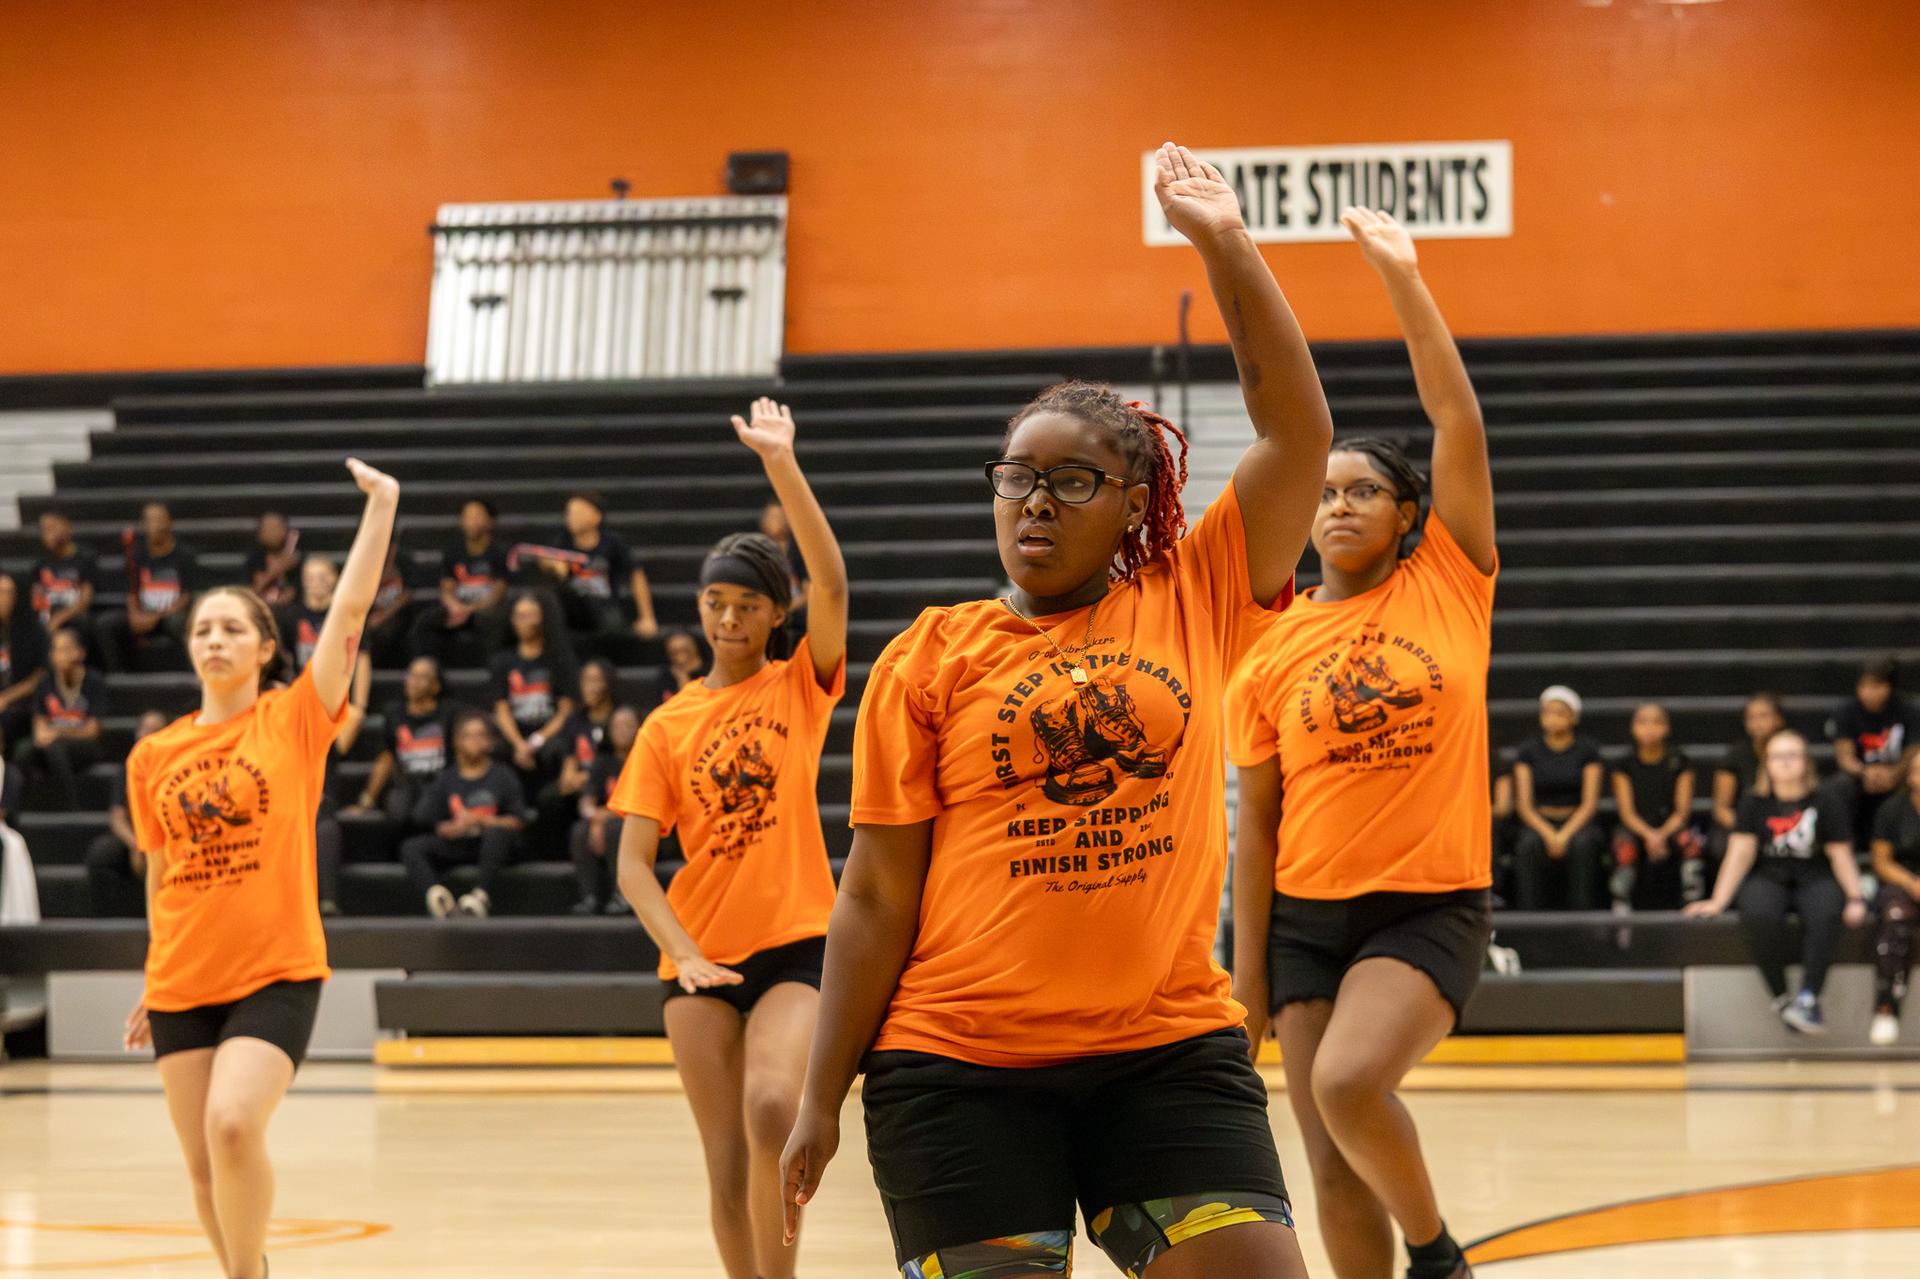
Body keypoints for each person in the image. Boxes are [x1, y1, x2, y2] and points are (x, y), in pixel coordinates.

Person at [782, 144, 1329, 1279]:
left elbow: (1296, 439)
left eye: (1072, 480)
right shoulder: (929, 655)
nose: (1035, 500)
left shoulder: (1194, 593)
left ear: (1133, 504)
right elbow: (875, 896)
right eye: (1017, 476)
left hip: (1167, 1049)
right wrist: (819, 1097)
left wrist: (1223, 240)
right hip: (958, 1065)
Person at [1227, 205, 1493, 1279]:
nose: (1336, 506)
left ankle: (1436, 1254)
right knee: (1327, 1163)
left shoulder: (1453, 581)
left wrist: (1403, 278)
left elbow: (1457, 419)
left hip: (1426, 904)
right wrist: (1241, 989)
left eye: (1362, 491)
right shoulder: (1270, 648)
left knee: (1346, 1085)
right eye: (1326, 493)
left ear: (1407, 512)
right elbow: (1256, 827)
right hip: (1302, 920)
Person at [120, 458, 398, 1279]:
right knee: (205, 1168)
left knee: (234, 1124)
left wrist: (381, 506)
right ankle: (251, 1269)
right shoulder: (152, 754)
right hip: (180, 977)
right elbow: (159, 871)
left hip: (275, 970)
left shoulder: (296, 718)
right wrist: (150, 970)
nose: (214, 639)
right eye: (203, 628)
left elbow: (348, 608)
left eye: (233, 628)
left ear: (266, 647)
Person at [607, 397, 849, 1279]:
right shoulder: (668, 724)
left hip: (796, 942)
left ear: (773, 616)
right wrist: (683, 952)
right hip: (696, 958)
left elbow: (831, 583)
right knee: (720, 1157)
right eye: (716, 602)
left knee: (775, 1105)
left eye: (749, 604)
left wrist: (780, 461)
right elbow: (633, 864)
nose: (730, 618)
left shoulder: (798, 688)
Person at [1685, 729, 1868, 1034]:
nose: (1784, 763)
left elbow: (1840, 854)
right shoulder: (1753, 802)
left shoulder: (1826, 799)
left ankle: (1809, 997)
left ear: (1805, 762)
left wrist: (1855, 897)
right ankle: (1781, 998)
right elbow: (1740, 853)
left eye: (1792, 755)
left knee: (1826, 911)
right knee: (1758, 913)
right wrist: (1718, 900)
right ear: (1766, 764)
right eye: (1776, 756)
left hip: (1815, 873)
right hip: (1769, 874)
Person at [400, 710, 527, 919]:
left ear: (490, 741)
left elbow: (518, 821)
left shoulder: (502, 775)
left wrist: (482, 821)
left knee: (497, 835)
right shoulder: (447, 778)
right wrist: (446, 828)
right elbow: (430, 820)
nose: (474, 741)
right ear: (456, 742)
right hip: (461, 842)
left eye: (480, 735)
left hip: (492, 844)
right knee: (412, 847)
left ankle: (480, 896)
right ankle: (438, 897)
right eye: (467, 735)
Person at [1511, 686, 1608, 911]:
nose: (1552, 718)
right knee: (1528, 844)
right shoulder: (1528, 751)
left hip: (1577, 820)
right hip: (1540, 820)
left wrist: (1564, 834)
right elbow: (1524, 804)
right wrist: (1549, 833)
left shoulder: (1587, 751)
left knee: (1583, 844)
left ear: (1573, 717)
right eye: (1547, 712)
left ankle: (1582, 916)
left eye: (1559, 712)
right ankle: (1529, 915)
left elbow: (1589, 803)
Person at [537, 491, 660, 658]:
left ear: (596, 516)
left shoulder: (612, 543)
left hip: (604, 607)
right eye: (569, 513)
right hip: (575, 609)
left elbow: (636, 574)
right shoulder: (561, 542)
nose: (571, 517)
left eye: (579, 512)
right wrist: (552, 567)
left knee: (614, 628)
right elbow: (547, 563)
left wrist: (647, 617)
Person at [343, 656, 460, 826]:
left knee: (425, 812)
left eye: (422, 677)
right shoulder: (394, 714)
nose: (413, 681)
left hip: (439, 784)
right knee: (397, 809)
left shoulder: (450, 714)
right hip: (406, 785)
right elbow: (386, 757)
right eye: (411, 675)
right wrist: (365, 801)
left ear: (436, 686)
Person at [1610, 702, 1704, 910]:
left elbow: (1682, 811)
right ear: (1633, 728)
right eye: (1643, 722)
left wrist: (1661, 834)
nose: (1649, 728)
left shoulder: (1680, 761)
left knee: (1691, 840)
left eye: (1656, 722)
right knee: (1623, 844)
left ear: (1666, 728)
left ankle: (1693, 899)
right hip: (1637, 826)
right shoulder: (1624, 764)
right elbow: (1626, 813)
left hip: (1670, 824)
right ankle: (1621, 902)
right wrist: (1649, 835)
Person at [1826, 655, 1920, 850]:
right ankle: (1843, 847)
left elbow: (1914, 750)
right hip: (1862, 777)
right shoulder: (1847, 712)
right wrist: (1864, 772)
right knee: (1839, 786)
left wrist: (1896, 774)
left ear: (1890, 686)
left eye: (1877, 686)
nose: (1869, 693)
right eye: (1864, 686)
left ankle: (1907, 850)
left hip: (1901, 775)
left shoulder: (1908, 710)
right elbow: (1844, 756)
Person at [490, 592, 578, 796]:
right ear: (512, 621)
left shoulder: (558, 658)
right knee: (497, 750)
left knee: (556, 749)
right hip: (517, 731)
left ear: (542, 618)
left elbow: (566, 710)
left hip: (549, 732)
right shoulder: (502, 661)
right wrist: (519, 743)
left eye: (531, 615)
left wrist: (537, 740)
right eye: (521, 616)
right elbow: (501, 709)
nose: (527, 621)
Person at [13, 628, 110, 811]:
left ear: (80, 652)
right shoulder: (46, 683)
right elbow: (40, 733)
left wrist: (58, 732)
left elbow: (92, 731)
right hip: (54, 748)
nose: (59, 655)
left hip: (86, 747)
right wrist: (51, 736)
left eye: (65, 649)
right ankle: (23, 811)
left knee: (55, 748)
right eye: (56, 649)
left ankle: (70, 805)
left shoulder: (93, 681)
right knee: (24, 753)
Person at [85, 709, 170, 917]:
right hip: (134, 837)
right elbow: (117, 817)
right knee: (100, 854)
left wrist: (151, 845)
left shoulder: (174, 766)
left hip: (168, 837)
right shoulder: (128, 768)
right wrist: (137, 844)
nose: (146, 735)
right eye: (143, 729)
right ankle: (109, 916)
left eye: (154, 730)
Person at [411, 498, 510, 666]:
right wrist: (455, 606)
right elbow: (447, 588)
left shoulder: (499, 552)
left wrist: (471, 609)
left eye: (477, 516)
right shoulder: (454, 552)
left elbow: (499, 591)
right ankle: (426, 669)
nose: (471, 521)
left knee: (492, 620)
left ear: (489, 521)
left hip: (484, 608)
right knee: (426, 620)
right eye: (467, 516)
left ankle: (493, 670)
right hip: (459, 606)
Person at [102, 501, 198, 673]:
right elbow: (131, 591)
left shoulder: (184, 555)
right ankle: (119, 678)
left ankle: (194, 677)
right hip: (143, 613)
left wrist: (156, 617)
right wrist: (135, 615)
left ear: (170, 523)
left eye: (160, 520)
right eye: (150, 521)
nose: (155, 525)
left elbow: (186, 597)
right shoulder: (136, 555)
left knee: (184, 625)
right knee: (106, 624)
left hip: (170, 615)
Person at [537, 658, 617, 853]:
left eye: (595, 680)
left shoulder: (619, 719)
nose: (589, 687)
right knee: (550, 797)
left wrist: (590, 779)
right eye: (585, 681)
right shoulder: (576, 720)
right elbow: (569, 761)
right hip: (583, 784)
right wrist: (569, 777)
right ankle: (559, 853)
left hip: (614, 782)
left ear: (609, 683)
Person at [1868, 754, 1920, 1045]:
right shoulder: (1892, 809)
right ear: (1910, 776)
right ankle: (1886, 1006)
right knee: (1895, 918)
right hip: (1902, 881)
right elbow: (1880, 861)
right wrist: (1912, 883)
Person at [569, 703, 641, 915]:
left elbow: (641, 806)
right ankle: (589, 897)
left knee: (616, 827)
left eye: (627, 725)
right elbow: (587, 801)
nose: (621, 731)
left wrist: (604, 817)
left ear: (640, 729)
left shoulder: (647, 759)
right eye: (616, 726)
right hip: (609, 822)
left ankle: (623, 895)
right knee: (579, 831)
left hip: (643, 826)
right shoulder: (602, 762)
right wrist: (593, 817)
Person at [1710, 692, 1788, 863]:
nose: (1757, 723)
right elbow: (1721, 810)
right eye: (1751, 717)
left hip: (1786, 821)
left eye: (1764, 716)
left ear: (1779, 719)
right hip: (1745, 823)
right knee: (1720, 843)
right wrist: (1747, 828)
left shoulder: (1792, 752)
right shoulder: (1736, 755)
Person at [30, 509, 98, 659]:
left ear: (67, 527)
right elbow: (37, 600)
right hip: (49, 613)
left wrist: (58, 619)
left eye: (52, 527)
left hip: (72, 614)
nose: (49, 533)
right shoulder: (41, 565)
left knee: (82, 622)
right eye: (45, 530)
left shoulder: (85, 558)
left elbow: (84, 601)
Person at [0, 572, 50, 750]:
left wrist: (6, 697)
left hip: (23, 702)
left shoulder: (34, 631)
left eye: (7, 592)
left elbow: (40, 675)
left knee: (6, 718)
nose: (2, 598)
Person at [242, 512, 300, 608]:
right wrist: (272, 573)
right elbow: (246, 596)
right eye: (268, 529)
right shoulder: (253, 560)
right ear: (260, 533)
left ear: (286, 530)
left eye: (277, 527)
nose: (273, 532)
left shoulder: (297, 560)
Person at [653, 629, 708, 709]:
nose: (681, 657)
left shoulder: (711, 674)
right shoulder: (666, 676)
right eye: (674, 652)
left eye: (686, 651)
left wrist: (685, 685)